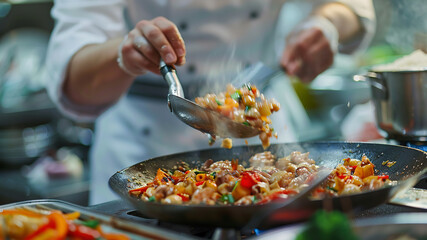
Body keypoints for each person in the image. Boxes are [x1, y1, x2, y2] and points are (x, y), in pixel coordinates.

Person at [45, 0, 375, 204]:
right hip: (140, 146)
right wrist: (124, 55)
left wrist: (327, 22)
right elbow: (72, 80)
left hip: (265, 127)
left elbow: (353, 8)